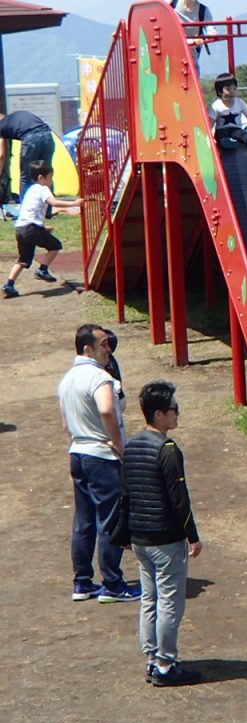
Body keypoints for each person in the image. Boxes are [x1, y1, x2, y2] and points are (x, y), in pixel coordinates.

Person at [118, 381, 202, 687]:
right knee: (170, 601)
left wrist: (125, 532)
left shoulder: (133, 445)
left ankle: (152, 658)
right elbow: (179, 499)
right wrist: (193, 535)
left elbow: (126, 494)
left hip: (140, 537)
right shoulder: (167, 451)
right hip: (166, 539)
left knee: (149, 599)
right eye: (173, 409)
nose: (178, 413)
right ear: (159, 414)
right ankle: (167, 664)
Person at [57, 324, 139, 604]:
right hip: (102, 457)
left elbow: (66, 423)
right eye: (103, 344)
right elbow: (107, 408)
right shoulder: (100, 378)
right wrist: (117, 443)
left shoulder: (67, 379)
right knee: (110, 520)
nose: (109, 349)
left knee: (84, 520)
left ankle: (82, 583)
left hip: (77, 453)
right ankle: (113, 584)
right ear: (87, 348)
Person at [2, 160, 82, 298]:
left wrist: (42, 228)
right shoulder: (43, 189)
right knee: (56, 246)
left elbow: (29, 212)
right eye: (50, 177)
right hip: (30, 228)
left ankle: (9, 284)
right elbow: (54, 202)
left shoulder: (30, 190)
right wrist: (73, 203)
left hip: (21, 228)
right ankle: (42, 270)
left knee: (24, 259)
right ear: (41, 178)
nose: (51, 180)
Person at [0, 110, 55, 202]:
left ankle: (25, 209)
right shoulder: (15, 117)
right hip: (48, 136)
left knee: (26, 177)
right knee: (46, 174)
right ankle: (48, 209)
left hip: (31, 139)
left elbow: (1, 155)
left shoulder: (1, 126)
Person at [208, 72, 247, 149]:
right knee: (221, 134)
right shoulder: (216, 105)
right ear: (219, 92)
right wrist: (208, 134)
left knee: (241, 133)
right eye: (228, 89)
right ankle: (226, 142)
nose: (232, 91)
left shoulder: (239, 102)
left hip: (235, 128)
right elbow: (211, 121)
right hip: (222, 129)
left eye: (234, 88)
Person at [169, 0, 216, 72]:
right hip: (172, 61)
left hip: (192, 61)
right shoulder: (171, 6)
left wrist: (212, 33)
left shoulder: (202, 10)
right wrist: (193, 41)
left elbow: (210, 28)